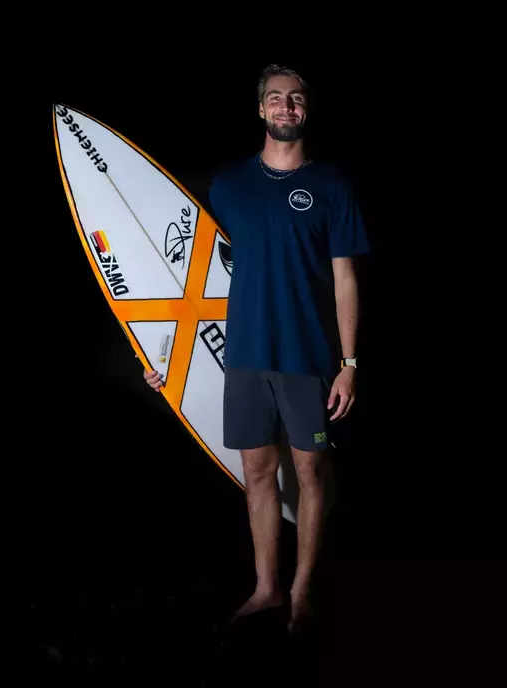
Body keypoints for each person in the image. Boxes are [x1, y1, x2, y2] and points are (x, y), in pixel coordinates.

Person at [144, 64, 369, 634]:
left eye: (296, 99)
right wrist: (167, 356)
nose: (286, 107)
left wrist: (349, 364)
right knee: (258, 473)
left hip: (308, 358)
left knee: (312, 473)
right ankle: (267, 587)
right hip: (243, 357)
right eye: (276, 98)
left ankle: (302, 591)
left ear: (305, 110)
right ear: (261, 110)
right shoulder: (227, 187)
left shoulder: (332, 187)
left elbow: (346, 280)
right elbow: (187, 277)